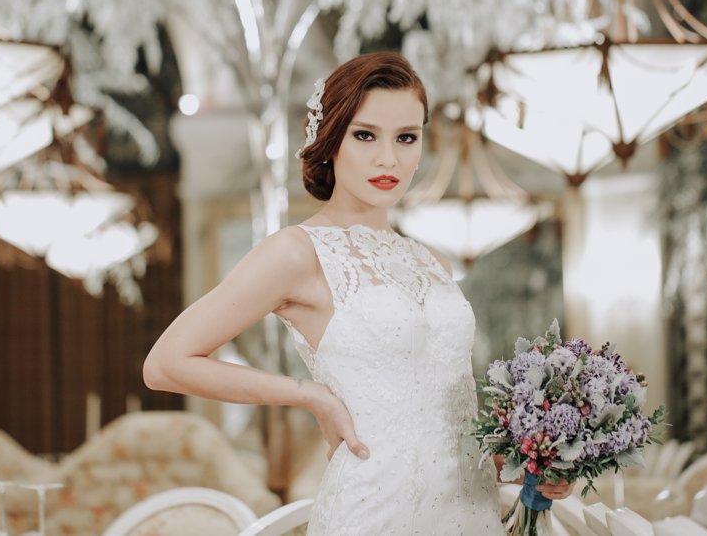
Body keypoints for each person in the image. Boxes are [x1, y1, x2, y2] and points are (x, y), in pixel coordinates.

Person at [144, 52, 573, 534]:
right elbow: (165, 364)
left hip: (469, 512)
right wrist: (312, 397)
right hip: (373, 511)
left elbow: (446, 413)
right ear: (330, 140)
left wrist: (528, 461)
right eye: (365, 135)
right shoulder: (297, 252)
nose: (388, 158)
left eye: (406, 137)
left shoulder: (432, 261)